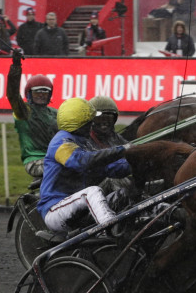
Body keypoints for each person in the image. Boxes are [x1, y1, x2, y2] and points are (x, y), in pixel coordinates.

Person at [37, 97, 131, 234]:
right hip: (55, 210)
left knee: (124, 194)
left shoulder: (84, 143)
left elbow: (108, 168)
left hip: (80, 210)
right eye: (89, 121)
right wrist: (121, 150)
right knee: (92, 191)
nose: (92, 124)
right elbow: (81, 162)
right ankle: (110, 227)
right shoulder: (60, 142)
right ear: (80, 123)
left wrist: (138, 162)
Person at [5, 49, 58, 178]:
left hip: (56, 159)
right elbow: (12, 94)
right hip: (35, 161)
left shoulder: (56, 113)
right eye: (37, 92)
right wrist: (16, 66)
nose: (41, 95)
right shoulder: (24, 111)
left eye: (45, 92)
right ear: (29, 94)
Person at [88, 95, 133, 193]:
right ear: (90, 119)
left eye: (108, 118)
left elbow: (131, 151)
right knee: (115, 180)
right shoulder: (86, 139)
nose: (104, 123)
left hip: (114, 183)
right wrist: (131, 163)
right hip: (92, 189)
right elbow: (103, 167)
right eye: (99, 118)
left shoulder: (114, 136)